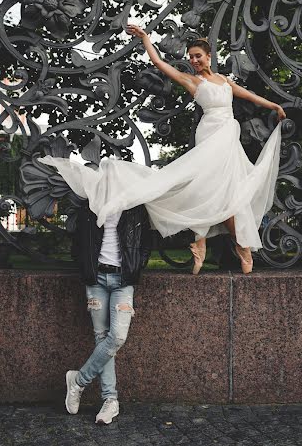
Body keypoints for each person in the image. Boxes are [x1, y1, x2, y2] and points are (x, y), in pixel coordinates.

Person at [38, 26, 285, 276]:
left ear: (209, 56)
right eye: (191, 57)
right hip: (210, 135)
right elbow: (158, 62)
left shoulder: (224, 81)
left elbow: (248, 95)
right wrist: (145, 38)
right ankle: (232, 245)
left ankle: (205, 240)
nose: (194, 61)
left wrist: (273, 104)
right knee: (211, 189)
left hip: (228, 137)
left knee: (227, 193)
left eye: (198, 56)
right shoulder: (191, 80)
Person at [64, 202, 151, 425]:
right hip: (96, 280)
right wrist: (85, 268)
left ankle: (79, 380)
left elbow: (146, 243)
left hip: (123, 281)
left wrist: (136, 267)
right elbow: (78, 243)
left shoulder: (135, 208)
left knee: (117, 337)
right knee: (101, 338)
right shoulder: (90, 206)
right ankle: (110, 400)